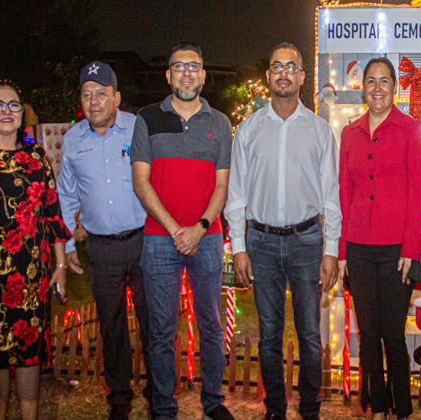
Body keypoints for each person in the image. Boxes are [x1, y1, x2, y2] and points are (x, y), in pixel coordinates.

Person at [226, 43, 340, 420]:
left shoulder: (320, 131)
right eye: (277, 67)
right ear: (269, 75)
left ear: (302, 76)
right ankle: (274, 408)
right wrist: (239, 247)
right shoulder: (248, 129)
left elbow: (331, 196)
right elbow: (236, 194)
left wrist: (331, 250)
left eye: (292, 67)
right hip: (260, 242)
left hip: (307, 241)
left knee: (309, 335)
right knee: (270, 335)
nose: (284, 73)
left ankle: (310, 409)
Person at [130, 42, 235, 420]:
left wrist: (200, 227)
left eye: (194, 67)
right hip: (160, 240)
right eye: (179, 67)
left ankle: (213, 402)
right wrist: (177, 230)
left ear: (203, 75)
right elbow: (141, 182)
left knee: (211, 326)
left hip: (207, 239)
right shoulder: (147, 118)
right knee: (160, 331)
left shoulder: (220, 123)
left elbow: (222, 186)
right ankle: (163, 408)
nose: (187, 73)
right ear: (168, 75)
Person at [0, 79, 71, 420]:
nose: (7, 111)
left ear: (23, 113)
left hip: (32, 274)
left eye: (14, 105)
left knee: (30, 355)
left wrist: (60, 266)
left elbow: (53, 215)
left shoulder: (37, 158)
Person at [57, 61, 151, 420]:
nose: (93, 101)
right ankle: (120, 396)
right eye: (87, 95)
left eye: (101, 93)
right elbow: (67, 197)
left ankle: (158, 391)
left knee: (152, 320)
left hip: (143, 241)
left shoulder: (137, 127)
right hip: (101, 247)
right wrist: (68, 246)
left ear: (117, 97)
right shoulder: (72, 140)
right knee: (111, 325)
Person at [336, 56, 421, 420]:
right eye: (371, 81)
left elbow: (419, 194)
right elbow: (344, 194)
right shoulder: (350, 133)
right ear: (363, 88)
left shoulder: (410, 129)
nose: (377, 87)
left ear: (395, 87)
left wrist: (411, 249)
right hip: (358, 249)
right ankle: (376, 406)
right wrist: (342, 252)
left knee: (393, 335)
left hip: (396, 252)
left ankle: (401, 408)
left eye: (384, 80)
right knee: (369, 334)